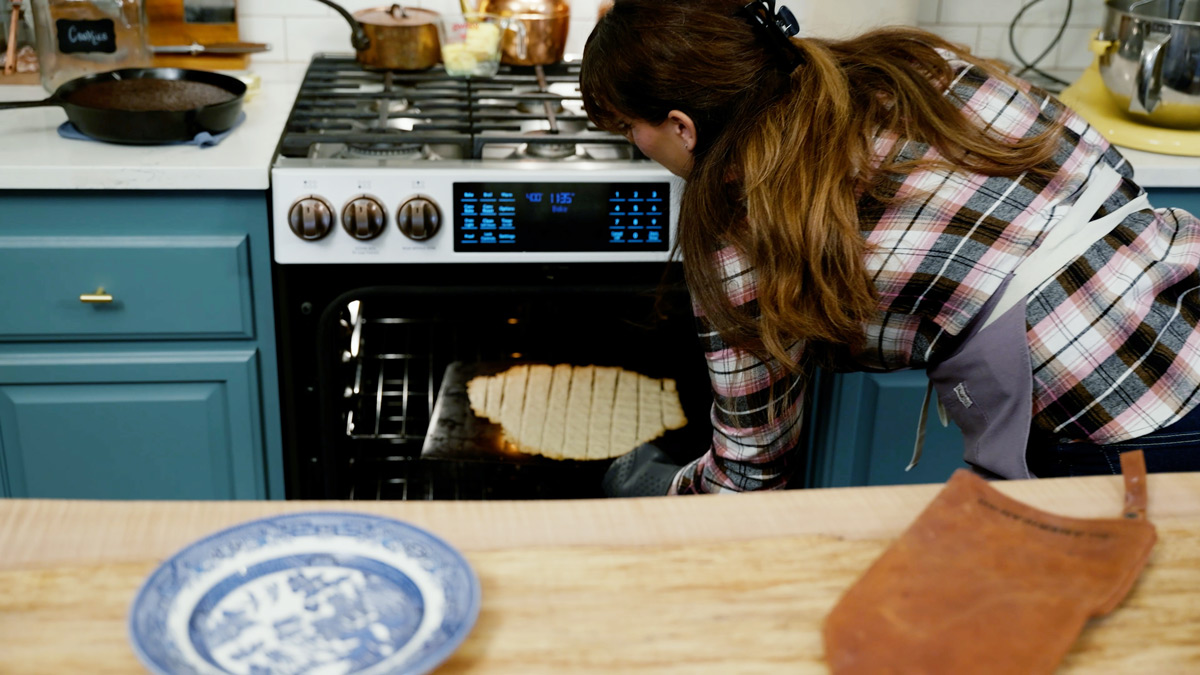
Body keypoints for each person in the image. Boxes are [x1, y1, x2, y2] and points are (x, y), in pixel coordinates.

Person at [586, 0, 1200, 496]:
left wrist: (657, 490)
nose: (633, 140)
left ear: (682, 127)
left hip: (1125, 423)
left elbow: (749, 471)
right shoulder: (915, 68)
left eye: (626, 126)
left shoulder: (743, 236)